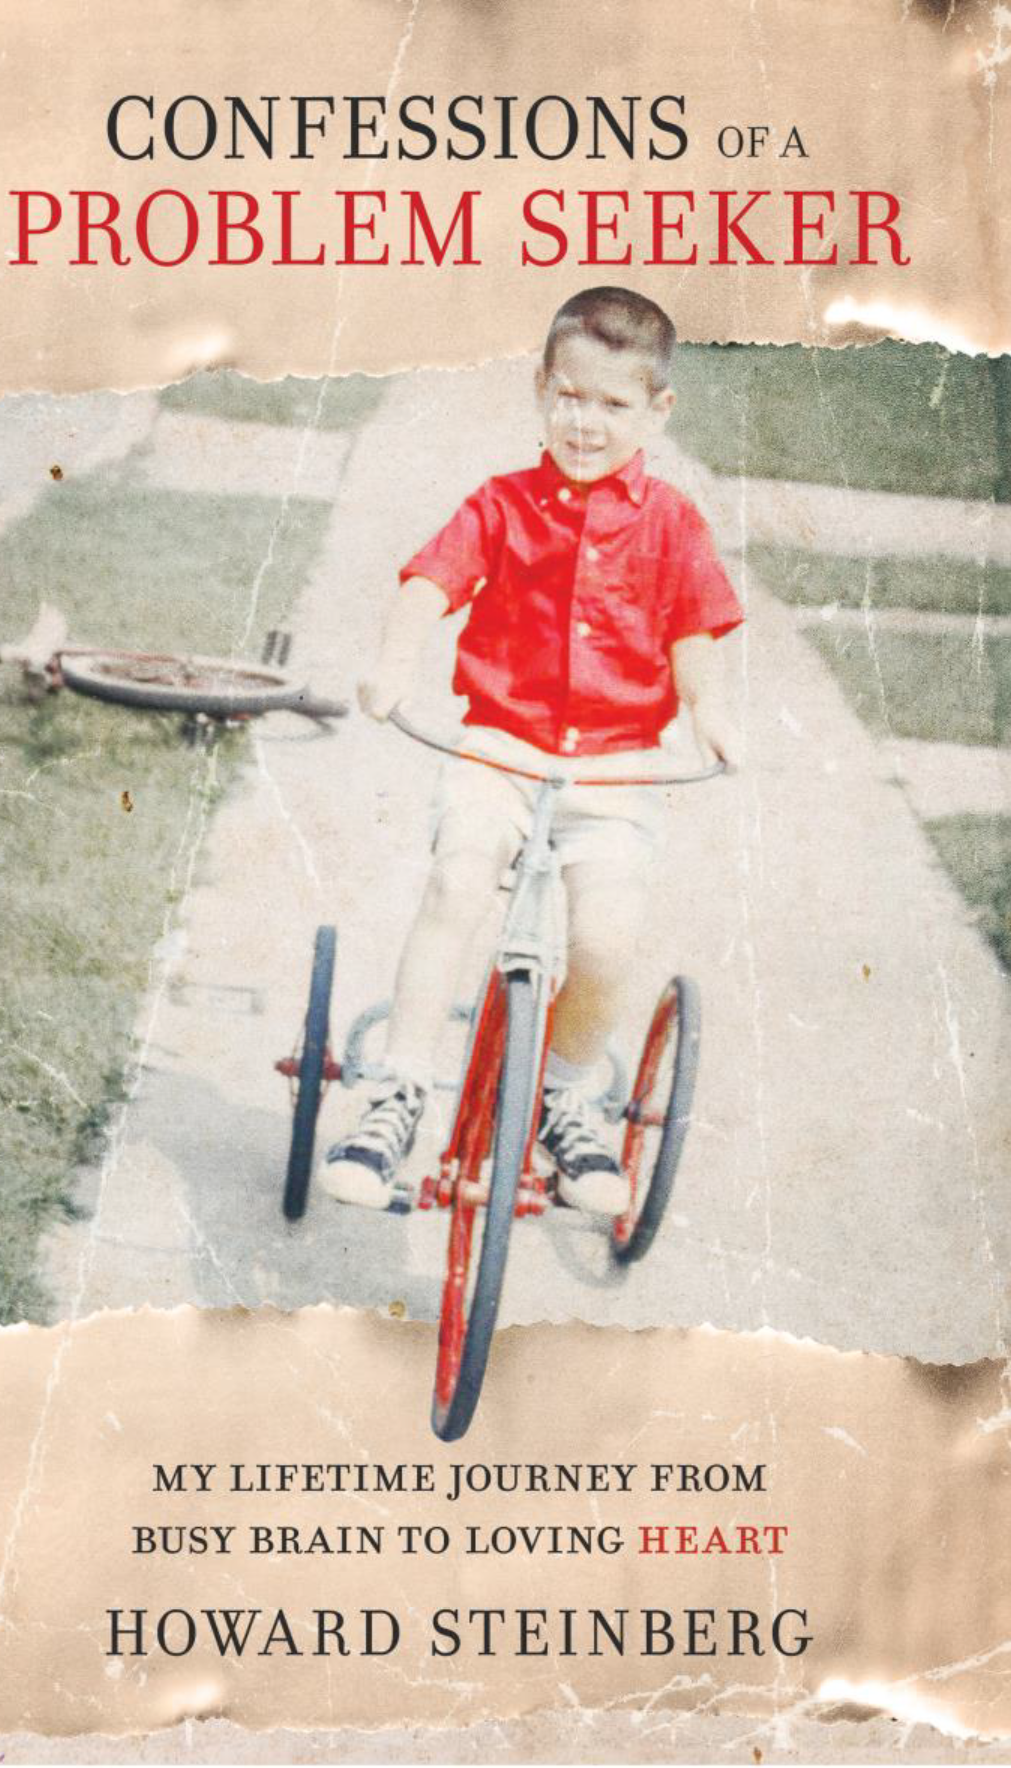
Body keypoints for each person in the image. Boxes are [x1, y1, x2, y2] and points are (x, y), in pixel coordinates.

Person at [319, 286, 744, 1215]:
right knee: (456, 881)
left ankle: (561, 1095)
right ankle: (396, 1091)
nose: (585, 422)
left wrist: (708, 712)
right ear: (540, 388)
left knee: (607, 936)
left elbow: (693, 630)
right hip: (501, 747)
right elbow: (429, 583)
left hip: (615, 764)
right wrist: (393, 664)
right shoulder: (502, 504)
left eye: (613, 404)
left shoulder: (671, 522)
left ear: (657, 411)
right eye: (568, 397)